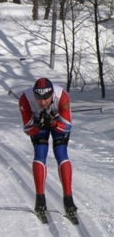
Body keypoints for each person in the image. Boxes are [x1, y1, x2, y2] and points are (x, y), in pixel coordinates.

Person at [18, 78, 75, 218]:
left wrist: (54, 124)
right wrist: (37, 126)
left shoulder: (61, 96)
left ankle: (68, 199)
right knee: (40, 154)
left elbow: (67, 126)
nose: (42, 102)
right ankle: (40, 200)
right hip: (38, 124)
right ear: (34, 94)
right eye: (38, 98)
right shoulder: (25, 98)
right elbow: (27, 128)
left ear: (52, 95)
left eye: (46, 98)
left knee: (61, 153)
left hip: (58, 122)